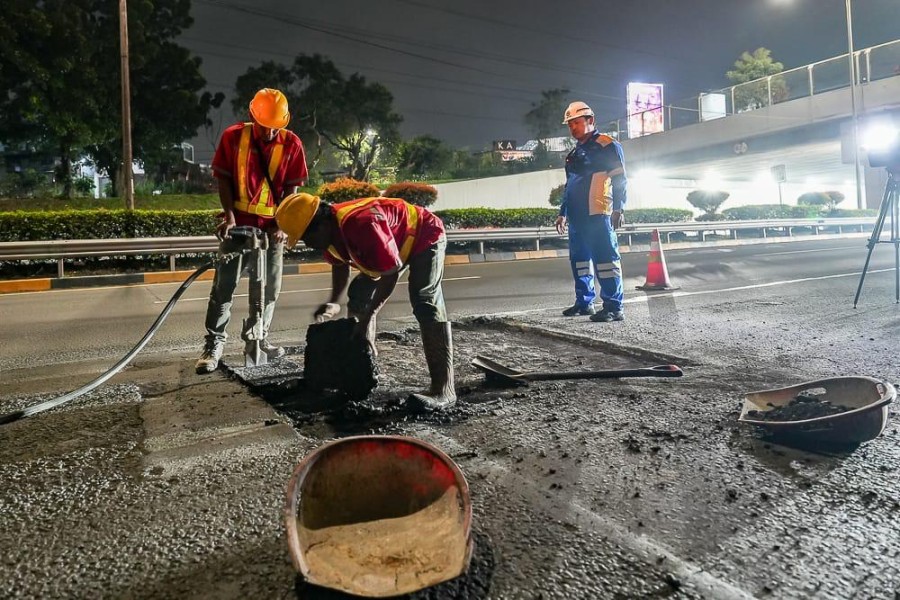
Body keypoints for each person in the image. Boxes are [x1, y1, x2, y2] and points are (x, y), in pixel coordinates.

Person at [274, 192, 456, 411]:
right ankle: (365, 369)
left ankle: (444, 390)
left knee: (424, 300)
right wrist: (334, 301)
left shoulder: (362, 224)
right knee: (359, 291)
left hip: (423, 234)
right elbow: (340, 263)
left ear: (321, 226)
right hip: (392, 245)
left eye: (306, 238)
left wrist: (368, 316)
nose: (308, 244)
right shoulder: (330, 231)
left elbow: (390, 274)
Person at [196, 88, 308, 373]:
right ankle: (213, 344)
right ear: (252, 116)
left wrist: (282, 224)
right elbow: (224, 180)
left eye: (275, 127)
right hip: (239, 227)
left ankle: (258, 337)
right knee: (223, 287)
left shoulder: (292, 143)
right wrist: (229, 217)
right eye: (264, 126)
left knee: (269, 289)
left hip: (272, 229)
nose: (269, 132)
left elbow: (291, 190)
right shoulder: (233, 137)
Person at [555, 101, 628, 322]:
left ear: (591, 121)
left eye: (576, 122)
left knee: (606, 260)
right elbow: (569, 186)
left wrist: (619, 208)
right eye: (570, 124)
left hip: (598, 213)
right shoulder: (573, 154)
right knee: (580, 261)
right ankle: (584, 302)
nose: (573, 128)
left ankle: (614, 307)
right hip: (577, 218)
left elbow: (620, 180)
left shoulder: (607, 146)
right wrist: (563, 213)